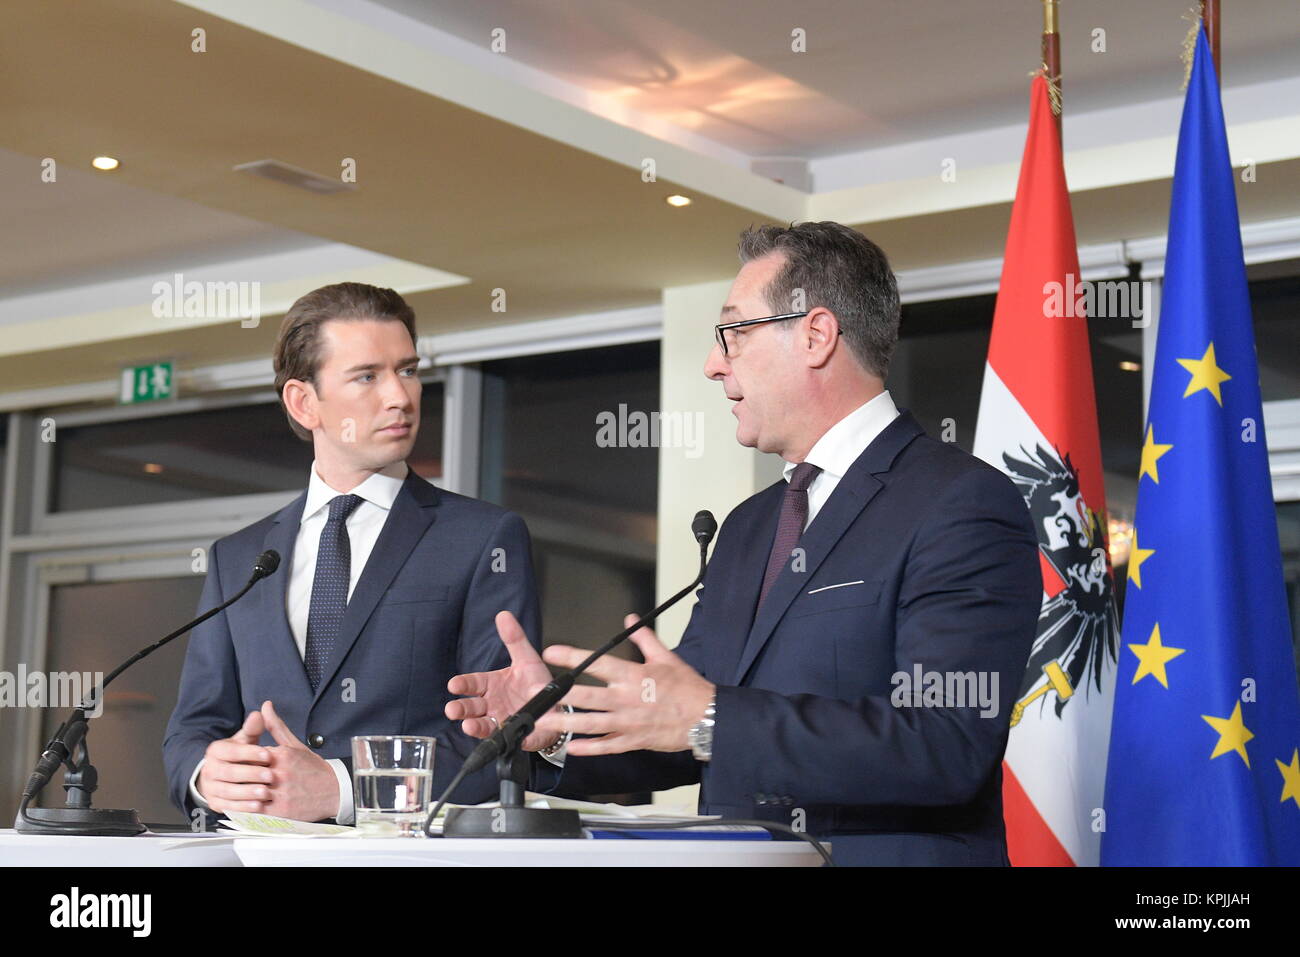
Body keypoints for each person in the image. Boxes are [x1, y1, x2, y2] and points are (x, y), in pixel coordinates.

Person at [447, 222, 1042, 865]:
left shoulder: (959, 502)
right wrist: (558, 726)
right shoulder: (750, 524)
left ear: (815, 335)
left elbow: (943, 743)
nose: (713, 363)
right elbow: (682, 721)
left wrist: (711, 720)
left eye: (733, 332)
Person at [163, 282, 540, 826]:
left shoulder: (484, 537)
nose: (400, 396)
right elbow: (193, 728)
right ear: (304, 401)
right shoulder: (238, 556)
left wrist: (341, 789)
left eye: (408, 370)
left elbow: (501, 742)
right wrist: (205, 774)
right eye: (367, 376)